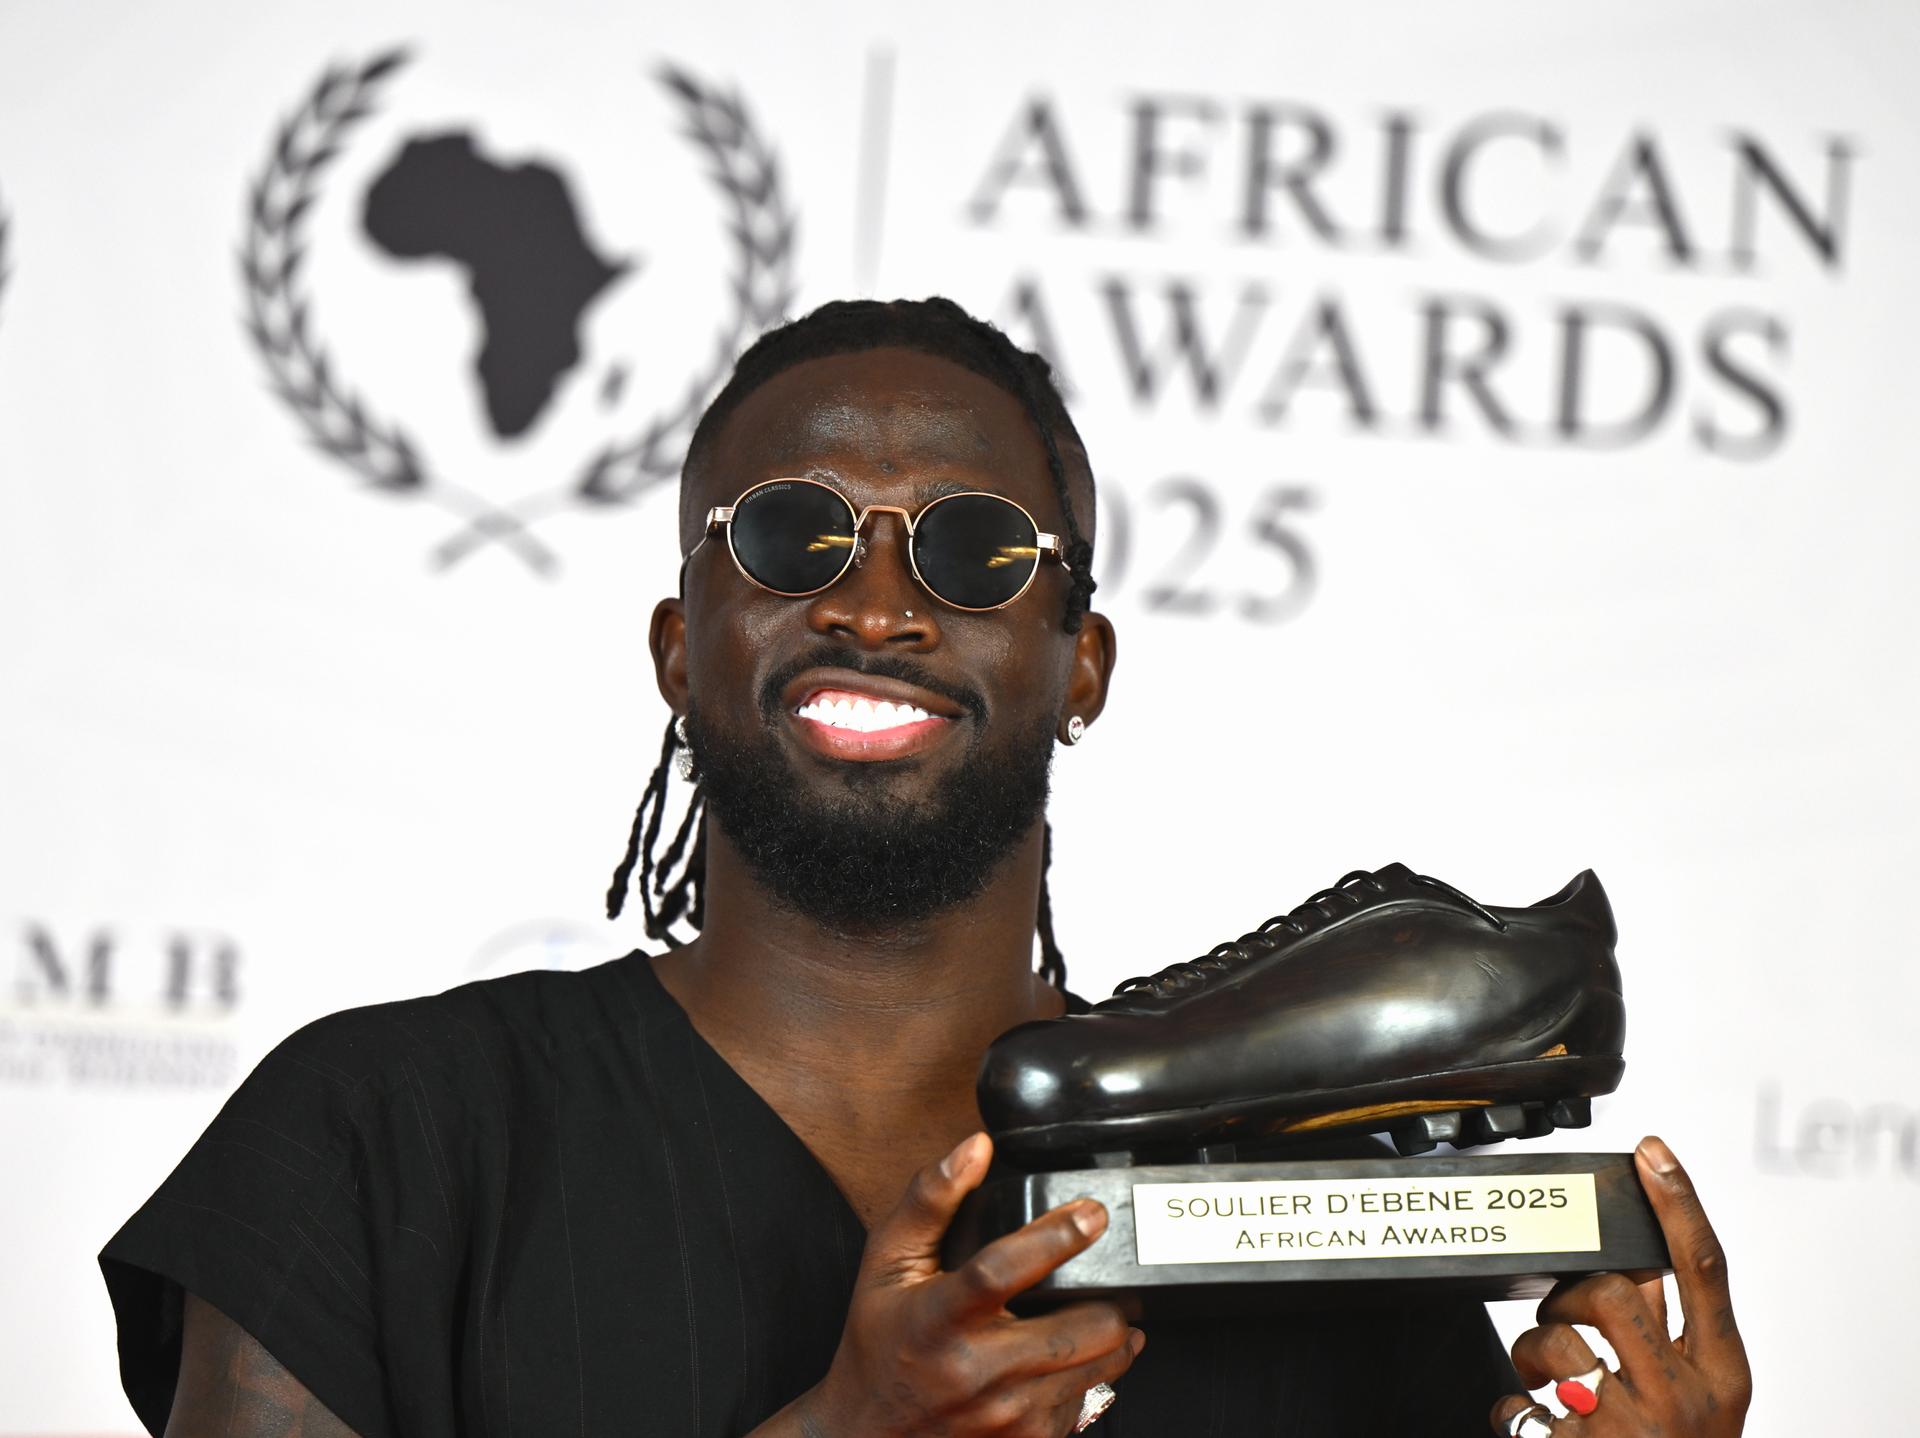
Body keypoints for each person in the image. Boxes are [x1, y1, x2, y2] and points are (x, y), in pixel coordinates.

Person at [101, 298, 1752, 1437]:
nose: (878, 603)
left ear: (1080, 664)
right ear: (684, 646)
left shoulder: (1310, 1210)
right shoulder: (377, 1139)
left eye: (971, 549)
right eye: (790, 534)